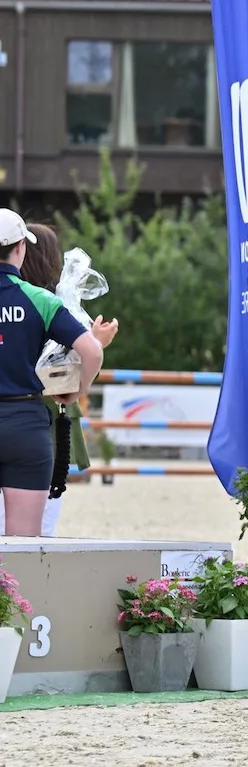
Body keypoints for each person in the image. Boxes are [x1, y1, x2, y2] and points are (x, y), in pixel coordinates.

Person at [0, 209, 104, 537]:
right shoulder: (40, 299)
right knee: (23, 549)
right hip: (25, 424)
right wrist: (78, 389)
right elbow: (91, 351)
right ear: (20, 248)